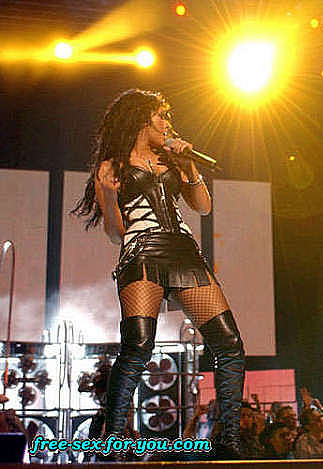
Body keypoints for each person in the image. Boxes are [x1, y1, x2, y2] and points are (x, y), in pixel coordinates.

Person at [72, 89, 245, 458]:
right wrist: (108, 195)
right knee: (138, 345)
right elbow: (115, 232)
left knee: (229, 344)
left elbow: (203, 206)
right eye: (161, 116)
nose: (167, 123)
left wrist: (190, 167)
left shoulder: (172, 159)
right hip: (142, 250)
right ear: (141, 119)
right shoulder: (112, 166)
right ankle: (112, 440)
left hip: (182, 249)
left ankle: (229, 440)